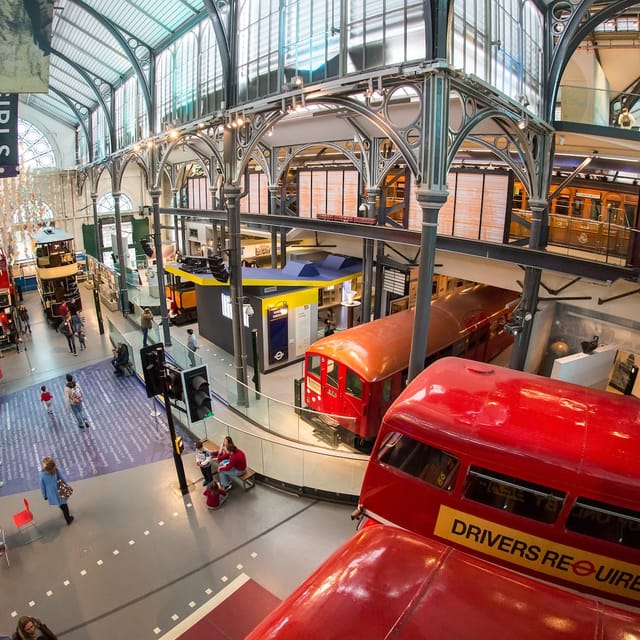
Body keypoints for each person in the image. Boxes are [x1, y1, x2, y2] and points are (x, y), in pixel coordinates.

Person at [40, 457, 74, 527]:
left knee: (59, 504)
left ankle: (62, 510)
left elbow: (42, 486)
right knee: (65, 506)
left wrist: (45, 496)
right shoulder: (56, 470)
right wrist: (66, 485)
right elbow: (63, 479)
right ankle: (68, 519)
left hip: (51, 494)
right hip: (60, 490)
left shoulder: (42, 474)